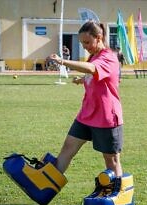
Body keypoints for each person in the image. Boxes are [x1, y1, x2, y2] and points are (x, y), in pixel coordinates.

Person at [48, 21, 124, 190]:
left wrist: (62, 61)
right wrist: (81, 80)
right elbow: (95, 75)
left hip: (106, 117)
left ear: (99, 37)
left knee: (111, 159)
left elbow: (92, 69)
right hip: (86, 115)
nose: (85, 47)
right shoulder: (94, 56)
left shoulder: (108, 57)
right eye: (82, 43)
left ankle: (116, 194)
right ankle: (45, 188)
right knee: (67, 148)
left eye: (87, 43)